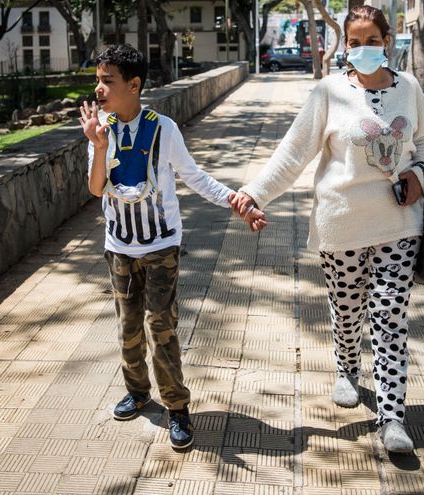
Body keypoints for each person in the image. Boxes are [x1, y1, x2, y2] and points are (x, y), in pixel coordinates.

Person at [230, 5, 424, 453]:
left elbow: (423, 143)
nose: (362, 49)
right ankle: (346, 368)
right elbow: (294, 153)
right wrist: (255, 194)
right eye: (354, 42)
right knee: (347, 312)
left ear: (388, 41)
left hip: (398, 223)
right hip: (340, 223)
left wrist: (418, 173)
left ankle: (392, 416)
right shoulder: (328, 92)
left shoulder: (410, 89)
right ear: (346, 44)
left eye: (371, 41)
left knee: (390, 319)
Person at [79, 44, 265, 450]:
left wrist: (236, 201)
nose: (98, 89)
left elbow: (195, 178)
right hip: (120, 248)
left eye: (107, 81)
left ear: (134, 84)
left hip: (161, 246)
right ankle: (137, 391)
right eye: (97, 80)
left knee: (160, 325)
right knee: (128, 326)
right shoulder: (100, 129)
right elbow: (96, 188)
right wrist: (96, 145)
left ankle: (177, 407)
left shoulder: (163, 129)